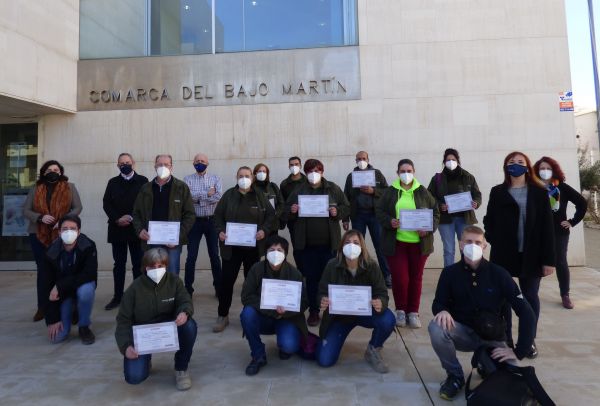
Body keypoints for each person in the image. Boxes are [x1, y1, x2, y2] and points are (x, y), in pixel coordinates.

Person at [428, 225, 535, 401]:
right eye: (468, 242)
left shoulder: (500, 274)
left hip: (493, 337)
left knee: (510, 382)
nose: (473, 245)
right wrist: (442, 311)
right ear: (461, 244)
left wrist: (518, 351)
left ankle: (485, 363)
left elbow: (526, 312)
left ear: (484, 246)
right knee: (436, 327)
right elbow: (438, 302)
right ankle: (455, 376)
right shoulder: (449, 273)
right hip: (464, 334)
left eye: (477, 242)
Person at [483, 151, 555, 358]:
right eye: (511, 162)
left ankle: (528, 341)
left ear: (527, 166)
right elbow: (489, 219)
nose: (515, 165)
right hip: (504, 255)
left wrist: (549, 260)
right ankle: (504, 339)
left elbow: (547, 228)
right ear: (505, 167)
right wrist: (493, 237)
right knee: (503, 299)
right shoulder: (497, 192)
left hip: (532, 255)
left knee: (530, 297)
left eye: (520, 162)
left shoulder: (539, 193)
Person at [115, 248, 197, 390]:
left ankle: (181, 368)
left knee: (190, 326)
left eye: (160, 266)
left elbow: (185, 301)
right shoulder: (134, 289)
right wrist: (126, 346)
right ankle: (146, 360)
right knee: (134, 377)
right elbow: (123, 320)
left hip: (169, 325)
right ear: (144, 267)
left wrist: (184, 312)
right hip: (144, 333)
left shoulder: (174, 282)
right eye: (151, 266)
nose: (156, 269)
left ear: (166, 266)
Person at [316, 230, 396, 372]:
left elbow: (382, 292)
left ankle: (374, 348)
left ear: (362, 246)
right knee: (324, 360)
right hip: (339, 317)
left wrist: (380, 302)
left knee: (388, 319)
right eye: (347, 243)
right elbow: (322, 290)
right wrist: (322, 300)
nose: (351, 246)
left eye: (355, 243)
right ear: (341, 247)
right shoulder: (332, 265)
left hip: (364, 313)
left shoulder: (371, 266)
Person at [284, 158, 350, 326]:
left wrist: (337, 212)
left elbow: (346, 207)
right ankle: (313, 311)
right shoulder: (299, 190)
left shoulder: (332, 188)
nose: (314, 174)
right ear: (305, 173)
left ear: (322, 172)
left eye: (317, 170)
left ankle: (332, 310)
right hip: (307, 246)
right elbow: (284, 212)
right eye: (310, 171)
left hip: (329, 245)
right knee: (312, 279)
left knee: (330, 278)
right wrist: (292, 210)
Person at [376, 159, 439, 329]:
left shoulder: (423, 192)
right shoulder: (390, 192)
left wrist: (428, 228)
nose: (406, 174)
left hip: (419, 244)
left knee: (416, 278)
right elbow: (379, 211)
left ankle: (413, 312)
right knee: (400, 279)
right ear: (397, 173)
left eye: (409, 170)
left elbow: (436, 213)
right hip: (396, 243)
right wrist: (390, 221)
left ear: (414, 171)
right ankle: (401, 311)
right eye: (403, 171)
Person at [212, 166, 276, 333]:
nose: (244, 178)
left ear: (252, 178)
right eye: (241, 175)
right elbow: (217, 216)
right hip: (231, 248)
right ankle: (223, 315)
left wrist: (264, 230)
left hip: (252, 248)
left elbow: (271, 215)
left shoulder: (260, 196)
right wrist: (220, 231)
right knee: (227, 282)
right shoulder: (228, 195)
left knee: (252, 282)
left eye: (247, 176)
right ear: (236, 177)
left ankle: (252, 315)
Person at [23, 160, 83, 322]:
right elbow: (26, 210)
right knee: (43, 271)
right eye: (49, 169)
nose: (53, 172)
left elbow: (77, 208)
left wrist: (63, 220)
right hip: (38, 234)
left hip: (63, 235)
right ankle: (43, 307)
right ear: (43, 172)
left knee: (65, 270)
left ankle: (70, 308)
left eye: (56, 169)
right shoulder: (36, 188)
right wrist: (40, 217)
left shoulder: (69, 187)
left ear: (61, 172)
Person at [239, 235, 308, 376]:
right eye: (271, 250)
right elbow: (246, 296)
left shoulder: (295, 273)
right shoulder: (256, 269)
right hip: (263, 317)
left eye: (279, 250)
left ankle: (284, 345)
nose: (275, 253)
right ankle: (258, 355)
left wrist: (286, 312)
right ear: (265, 253)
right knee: (247, 314)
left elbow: (304, 302)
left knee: (289, 346)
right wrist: (270, 308)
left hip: (286, 318)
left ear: (285, 254)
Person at [533, 156, 587, 309]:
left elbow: (582, 203)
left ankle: (565, 295)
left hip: (559, 231)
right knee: (537, 260)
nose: (545, 171)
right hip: (539, 231)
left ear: (554, 170)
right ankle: (532, 292)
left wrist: (572, 221)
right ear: (537, 171)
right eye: (542, 169)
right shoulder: (533, 187)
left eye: (548, 168)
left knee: (560, 262)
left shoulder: (561, 187)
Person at [132, 154, 195, 275]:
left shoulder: (181, 187)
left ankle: (171, 294)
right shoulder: (145, 189)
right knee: (152, 273)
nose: (163, 167)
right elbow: (136, 213)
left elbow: (190, 215)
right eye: (160, 164)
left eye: (166, 164)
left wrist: (178, 235)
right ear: (155, 166)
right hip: (151, 239)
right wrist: (140, 230)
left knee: (172, 273)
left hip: (172, 241)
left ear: (171, 167)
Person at [102, 153, 148, 310]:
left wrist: (133, 220)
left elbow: (146, 205)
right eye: (122, 163)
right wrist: (117, 218)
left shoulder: (143, 181)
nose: (125, 165)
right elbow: (106, 203)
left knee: (138, 265)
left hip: (137, 230)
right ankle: (117, 297)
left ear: (133, 163)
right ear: (117, 165)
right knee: (119, 265)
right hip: (117, 229)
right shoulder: (112, 182)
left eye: (127, 162)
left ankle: (138, 296)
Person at [42, 214, 97, 345]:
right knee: (57, 338)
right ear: (59, 231)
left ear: (79, 231)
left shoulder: (88, 246)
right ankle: (72, 309)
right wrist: (52, 319)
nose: (68, 232)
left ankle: (84, 326)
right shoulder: (51, 252)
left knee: (86, 292)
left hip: (80, 285)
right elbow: (44, 285)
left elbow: (89, 274)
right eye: (65, 228)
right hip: (63, 294)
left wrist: (60, 286)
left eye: (73, 228)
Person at [342, 151, 391, 288]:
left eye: (363, 158)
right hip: (358, 216)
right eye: (358, 159)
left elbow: (387, 192)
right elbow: (346, 198)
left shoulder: (377, 174)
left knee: (380, 246)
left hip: (375, 216)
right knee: (355, 247)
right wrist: (345, 219)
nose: (361, 161)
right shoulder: (351, 177)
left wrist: (373, 191)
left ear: (368, 159)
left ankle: (386, 275)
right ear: (355, 160)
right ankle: (357, 274)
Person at [427, 148, 482, 268]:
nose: (450, 162)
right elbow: (429, 197)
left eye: (453, 159)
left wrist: (476, 203)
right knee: (449, 250)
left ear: (458, 160)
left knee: (467, 249)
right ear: (444, 161)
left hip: (465, 218)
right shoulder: (437, 179)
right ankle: (449, 278)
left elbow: (477, 194)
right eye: (448, 160)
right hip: (445, 220)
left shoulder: (468, 177)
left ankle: (466, 274)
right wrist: (440, 205)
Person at [183, 152, 223, 297]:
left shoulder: (215, 178)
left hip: (212, 221)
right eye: (197, 160)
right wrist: (207, 194)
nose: (200, 162)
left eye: (202, 160)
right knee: (191, 257)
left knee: (214, 255)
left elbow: (218, 196)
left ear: (207, 163)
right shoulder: (187, 179)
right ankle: (188, 289)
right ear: (193, 163)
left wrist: (198, 197)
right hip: (194, 222)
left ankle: (219, 288)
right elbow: (187, 198)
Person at [279, 156, 307, 268]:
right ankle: (301, 272)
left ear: (300, 165)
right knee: (298, 248)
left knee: (309, 249)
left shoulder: (308, 181)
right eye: (291, 164)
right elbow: (282, 205)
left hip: (309, 220)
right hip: (294, 222)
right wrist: (290, 209)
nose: (294, 166)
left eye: (296, 164)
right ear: (288, 166)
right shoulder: (284, 184)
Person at [253, 162, 285, 236]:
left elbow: (281, 203)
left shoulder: (273, 187)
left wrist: (276, 214)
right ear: (255, 173)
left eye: (264, 171)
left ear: (267, 174)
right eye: (259, 171)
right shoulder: (251, 188)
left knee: (272, 246)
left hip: (272, 224)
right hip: (257, 225)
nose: (262, 173)